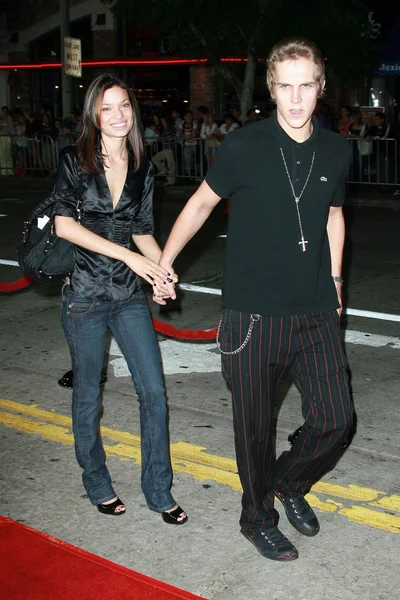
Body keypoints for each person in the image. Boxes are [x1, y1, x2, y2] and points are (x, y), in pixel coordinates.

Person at [157, 36, 353, 561]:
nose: (295, 99)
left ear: (320, 88)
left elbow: (334, 217)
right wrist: (164, 261)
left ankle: (289, 482)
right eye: (285, 87)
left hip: (314, 309)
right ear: (271, 88)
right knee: (254, 428)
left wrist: (336, 284)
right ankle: (256, 516)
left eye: (305, 86)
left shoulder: (337, 148)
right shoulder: (244, 146)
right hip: (251, 316)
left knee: (337, 419)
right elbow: (200, 205)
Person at [53, 73, 187, 525]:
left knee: (154, 393)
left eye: (124, 105)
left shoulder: (143, 167)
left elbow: (141, 230)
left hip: (128, 297)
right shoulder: (75, 160)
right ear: (93, 112)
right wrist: (129, 259)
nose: (117, 115)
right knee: (88, 396)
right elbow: (64, 226)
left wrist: (164, 273)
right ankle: (97, 481)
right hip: (86, 295)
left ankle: (158, 489)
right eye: (107, 107)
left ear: (133, 111)